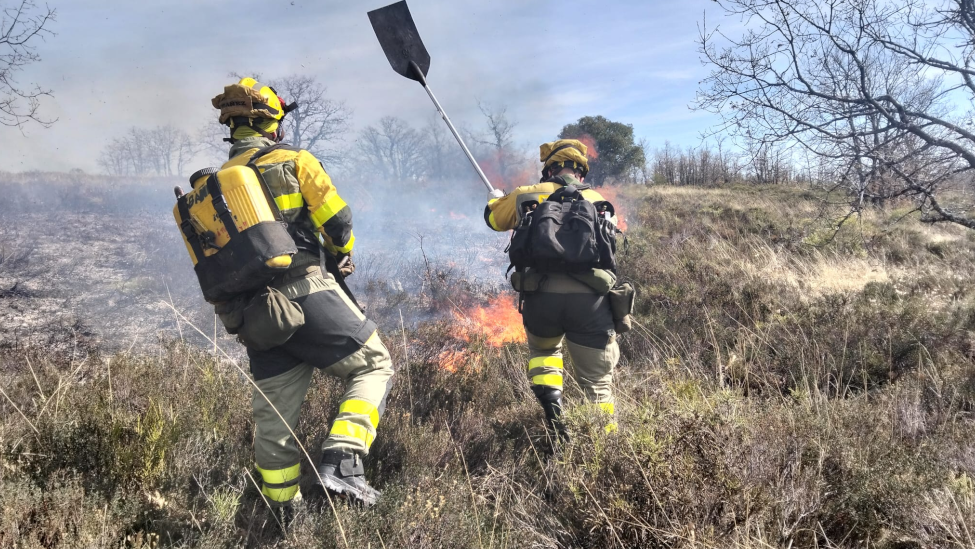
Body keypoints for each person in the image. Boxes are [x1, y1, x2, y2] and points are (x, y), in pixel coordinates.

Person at [209, 78, 394, 511]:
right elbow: (338, 221)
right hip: (305, 291)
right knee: (374, 364)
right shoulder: (294, 160)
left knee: (274, 423)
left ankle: (281, 516)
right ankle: (344, 461)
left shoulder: (212, 188)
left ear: (231, 125)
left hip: (257, 315)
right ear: (273, 123)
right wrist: (340, 253)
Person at [483, 139, 620, 443]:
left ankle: (554, 412)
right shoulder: (598, 199)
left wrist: (495, 200)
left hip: (540, 298)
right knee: (597, 382)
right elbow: (613, 244)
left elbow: (493, 220)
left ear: (549, 168)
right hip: (591, 302)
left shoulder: (526, 195)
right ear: (580, 171)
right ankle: (608, 448)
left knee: (544, 353)